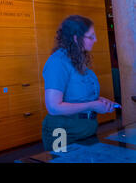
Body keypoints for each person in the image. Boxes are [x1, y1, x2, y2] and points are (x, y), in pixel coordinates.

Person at [41, 15, 116, 151]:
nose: (96, 40)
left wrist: (99, 100)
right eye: (91, 36)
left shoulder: (78, 59)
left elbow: (75, 95)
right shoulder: (58, 62)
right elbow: (53, 107)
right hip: (64, 131)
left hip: (86, 129)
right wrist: (93, 104)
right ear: (76, 38)